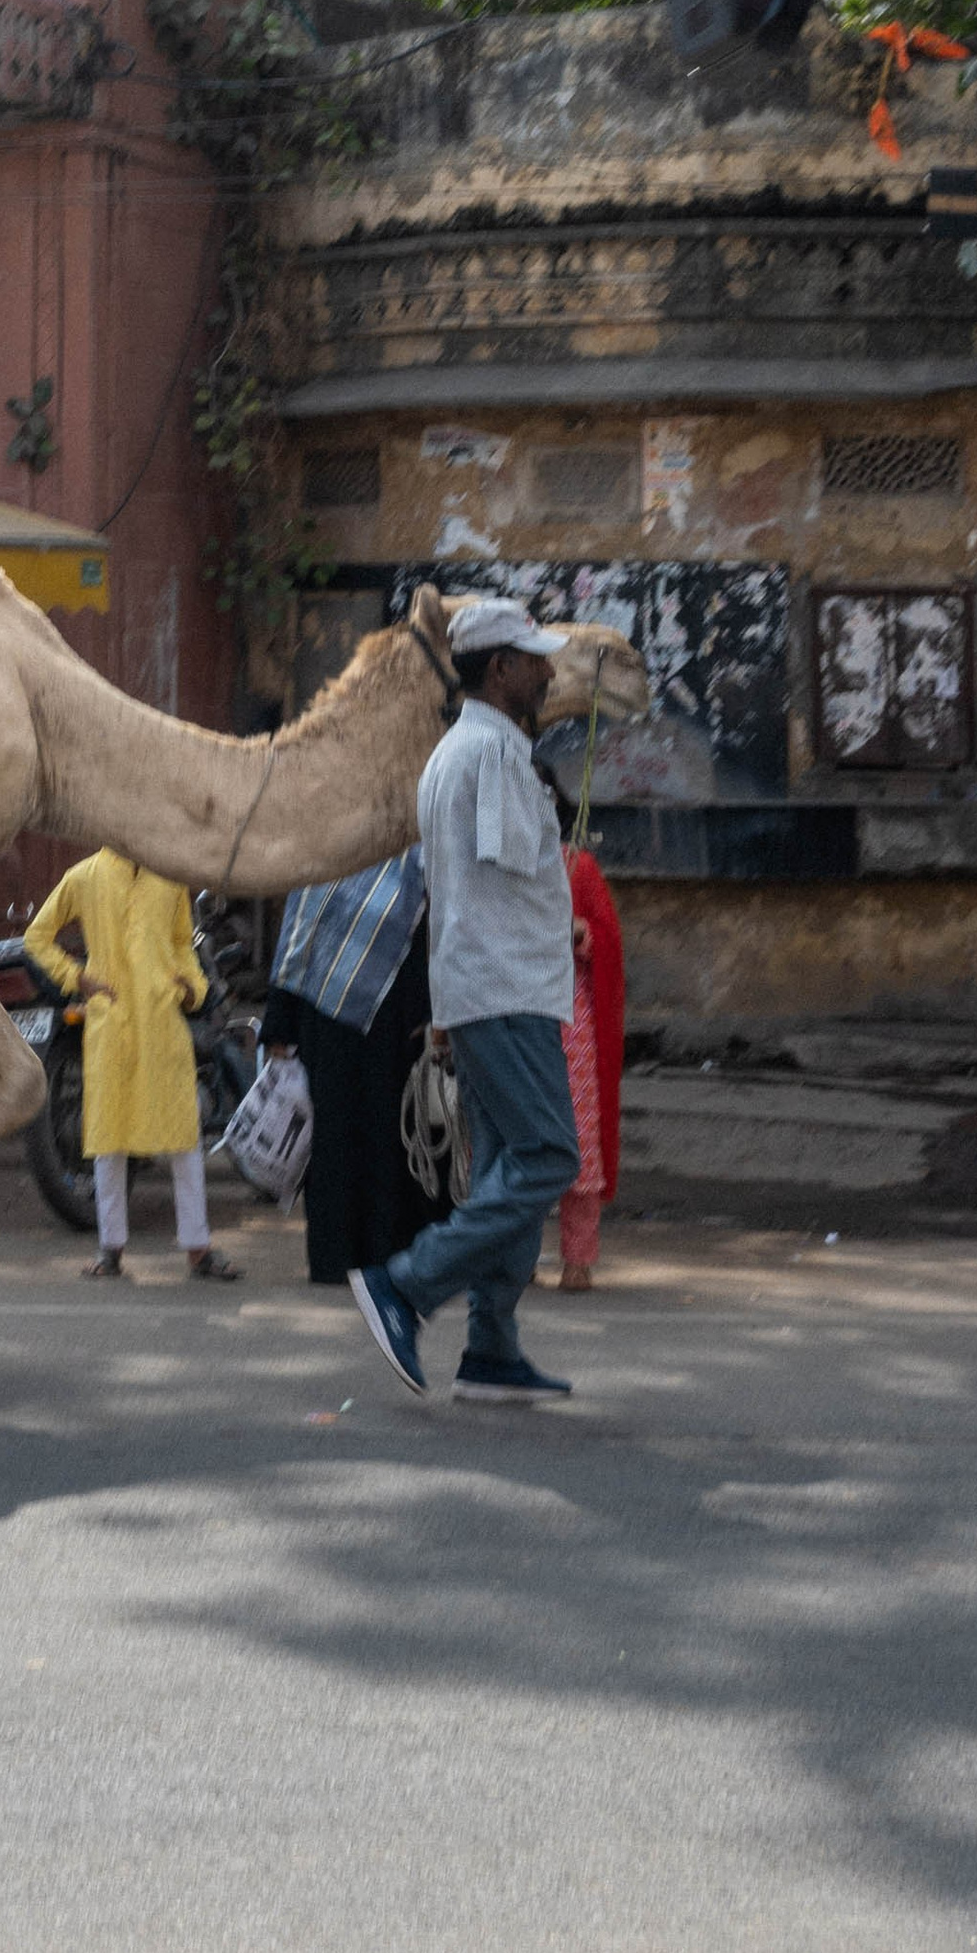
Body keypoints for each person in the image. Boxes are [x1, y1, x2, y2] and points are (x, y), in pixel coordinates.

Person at [350, 597, 580, 1402]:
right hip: (506, 990)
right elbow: (509, 886)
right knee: (550, 1156)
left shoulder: (470, 752)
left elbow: (476, 889)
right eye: (535, 659)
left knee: (505, 1170)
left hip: (489, 989)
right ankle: (407, 1286)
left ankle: (491, 1344)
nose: (549, 672)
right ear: (501, 669)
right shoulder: (489, 755)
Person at [23, 847, 238, 1282]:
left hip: (163, 1024)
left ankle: (199, 1248)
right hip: (113, 1024)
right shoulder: (85, 876)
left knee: (183, 1137)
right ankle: (110, 1249)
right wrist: (75, 977)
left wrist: (191, 988)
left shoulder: (171, 876)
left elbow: (182, 943)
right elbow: (36, 937)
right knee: (109, 1141)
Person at [273, 850, 439, 1285]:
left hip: (392, 1027)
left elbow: (423, 937)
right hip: (324, 1029)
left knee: (388, 1141)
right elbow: (296, 937)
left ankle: (383, 1255)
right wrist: (279, 1027)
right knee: (330, 1143)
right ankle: (333, 1257)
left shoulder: (412, 860)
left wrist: (427, 1016)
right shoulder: (321, 859)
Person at [557, 846, 626, 1288]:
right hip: (517, 1011)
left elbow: (608, 935)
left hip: (570, 1021)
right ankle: (516, 1258)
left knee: (579, 1139)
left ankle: (578, 1260)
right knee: (517, 1143)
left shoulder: (578, 867)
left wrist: (581, 932)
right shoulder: (496, 860)